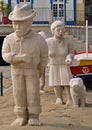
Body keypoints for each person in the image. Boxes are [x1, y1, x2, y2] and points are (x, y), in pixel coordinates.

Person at [2, 3, 48, 126]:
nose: (17, 26)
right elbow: (5, 55)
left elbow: (44, 56)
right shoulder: (9, 39)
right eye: (15, 23)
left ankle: (34, 115)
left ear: (29, 22)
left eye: (21, 23)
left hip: (32, 71)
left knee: (33, 92)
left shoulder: (38, 39)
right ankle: (21, 115)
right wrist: (19, 58)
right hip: (16, 70)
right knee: (18, 92)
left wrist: (41, 69)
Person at [46, 20, 74, 105]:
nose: (60, 32)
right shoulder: (47, 42)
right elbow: (44, 54)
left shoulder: (68, 41)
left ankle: (69, 98)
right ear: (53, 31)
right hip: (53, 64)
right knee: (56, 82)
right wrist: (47, 63)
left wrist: (69, 58)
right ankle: (59, 98)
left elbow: (71, 52)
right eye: (58, 30)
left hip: (64, 64)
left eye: (62, 30)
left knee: (67, 82)